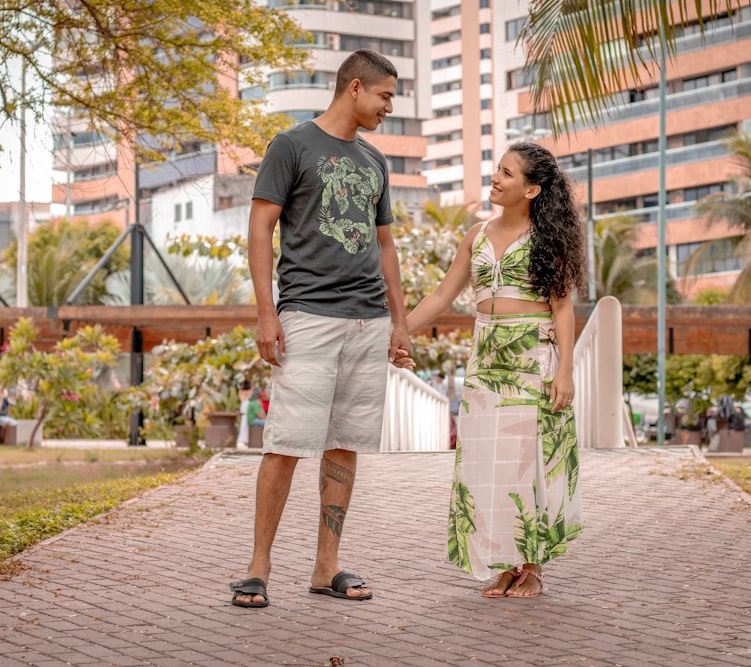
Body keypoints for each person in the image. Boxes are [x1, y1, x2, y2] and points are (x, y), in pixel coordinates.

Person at [231, 49, 410, 609]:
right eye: (384, 97)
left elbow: (385, 245)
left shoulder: (376, 162)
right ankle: (258, 566)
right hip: (308, 315)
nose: (388, 108)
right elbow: (260, 228)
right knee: (285, 443)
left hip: (368, 320)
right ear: (354, 87)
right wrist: (267, 312)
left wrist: (399, 322)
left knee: (345, 444)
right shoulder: (291, 146)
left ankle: (325, 565)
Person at [404, 142, 586, 599]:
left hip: (532, 359)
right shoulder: (476, 235)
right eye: (497, 169)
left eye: (507, 173)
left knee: (529, 461)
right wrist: (399, 333)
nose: (496, 178)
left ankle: (533, 566)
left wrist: (565, 370)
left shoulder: (548, 240)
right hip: (486, 361)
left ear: (531, 190)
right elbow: (442, 295)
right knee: (489, 464)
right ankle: (505, 564)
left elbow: (562, 310)